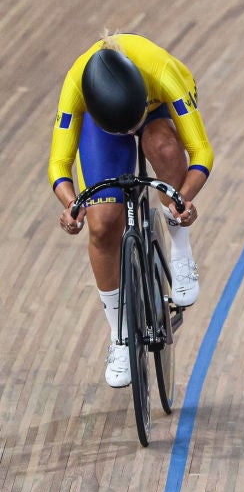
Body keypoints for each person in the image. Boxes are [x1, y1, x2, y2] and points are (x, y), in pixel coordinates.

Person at [49, 33, 210, 388]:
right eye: (124, 129)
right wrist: (71, 205)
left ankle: (181, 249)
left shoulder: (163, 72)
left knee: (161, 145)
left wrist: (183, 199)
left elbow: (202, 153)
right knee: (103, 224)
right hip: (102, 119)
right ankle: (119, 335)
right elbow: (59, 163)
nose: (130, 132)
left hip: (157, 105)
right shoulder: (76, 85)